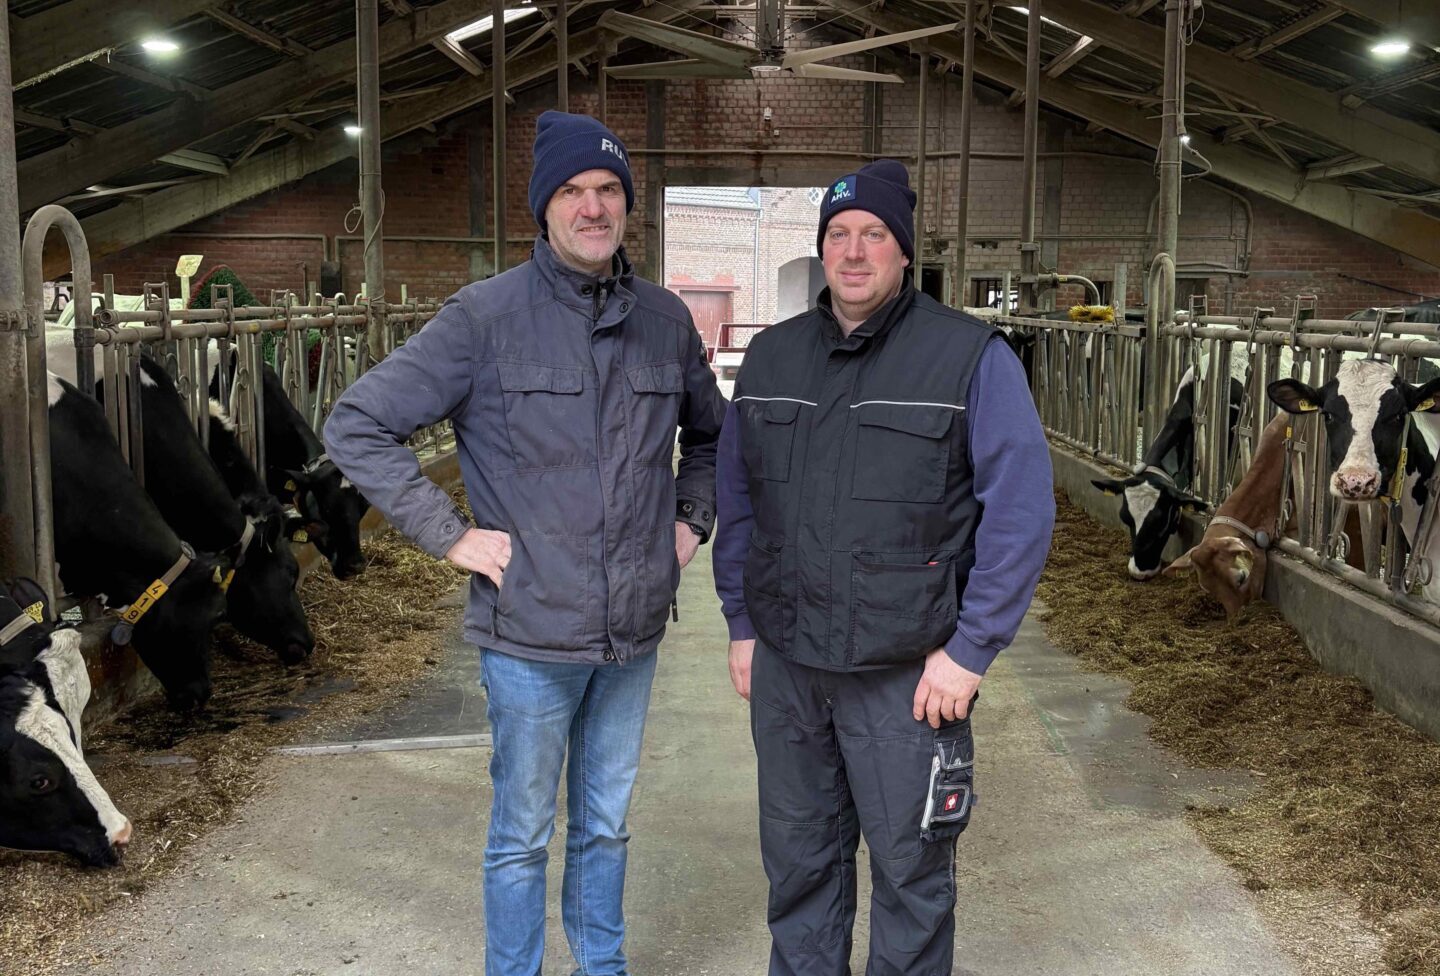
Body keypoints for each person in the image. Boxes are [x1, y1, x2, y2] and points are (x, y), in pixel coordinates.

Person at [324, 110, 726, 976]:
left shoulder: (664, 321)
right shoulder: (484, 317)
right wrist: (450, 536)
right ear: (543, 208)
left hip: (632, 633)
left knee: (606, 823)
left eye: (608, 189)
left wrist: (689, 521)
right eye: (572, 191)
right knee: (521, 833)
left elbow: (713, 437)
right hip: (528, 634)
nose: (593, 207)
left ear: (628, 205)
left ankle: (601, 967)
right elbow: (356, 423)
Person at [712, 159, 1055, 976]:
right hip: (789, 665)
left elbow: (1021, 513)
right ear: (821, 249)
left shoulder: (969, 357)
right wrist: (741, 623)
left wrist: (971, 650)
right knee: (798, 868)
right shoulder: (771, 358)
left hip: (908, 675)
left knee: (911, 876)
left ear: (904, 250)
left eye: (874, 234)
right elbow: (739, 497)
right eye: (838, 234)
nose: (855, 251)